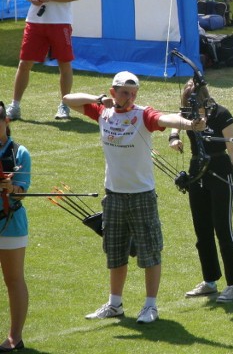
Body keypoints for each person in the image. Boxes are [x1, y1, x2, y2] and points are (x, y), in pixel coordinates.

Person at [63, 72, 206, 324]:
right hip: (114, 195)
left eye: (133, 93)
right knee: (115, 252)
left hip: (141, 196)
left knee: (150, 252)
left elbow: (164, 118)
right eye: (125, 92)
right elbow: (68, 98)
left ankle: (150, 306)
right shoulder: (102, 112)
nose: (130, 98)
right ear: (113, 92)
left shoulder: (143, 114)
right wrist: (97, 99)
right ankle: (114, 304)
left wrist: (189, 123)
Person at [169, 80, 233, 303]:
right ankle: (210, 280)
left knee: (223, 229)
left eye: (195, 106)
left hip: (220, 171)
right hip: (197, 171)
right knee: (202, 230)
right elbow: (176, 119)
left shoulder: (222, 114)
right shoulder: (187, 113)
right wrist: (174, 137)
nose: (193, 112)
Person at [6, 0, 82, 122]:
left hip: (60, 22)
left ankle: (64, 104)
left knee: (64, 64)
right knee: (24, 63)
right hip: (35, 20)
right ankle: (15, 106)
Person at [0, 101, 31, 352]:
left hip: (10, 224)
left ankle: (15, 337)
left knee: (13, 279)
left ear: (6, 121)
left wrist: (11, 189)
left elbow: (21, 192)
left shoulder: (19, 153)